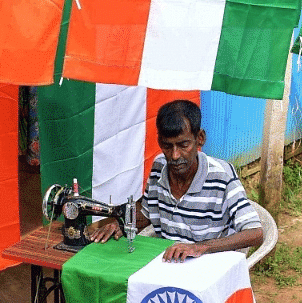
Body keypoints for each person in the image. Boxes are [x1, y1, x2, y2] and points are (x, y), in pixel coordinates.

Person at [88, 99, 264, 262]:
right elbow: (147, 211)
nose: (175, 155)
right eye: (167, 146)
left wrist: (199, 248)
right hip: (169, 262)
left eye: (183, 145)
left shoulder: (222, 175)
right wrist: (122, 223)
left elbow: (255, 232)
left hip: (209, 266)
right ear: (159, 142)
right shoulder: (159, 167)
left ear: (200, 138)